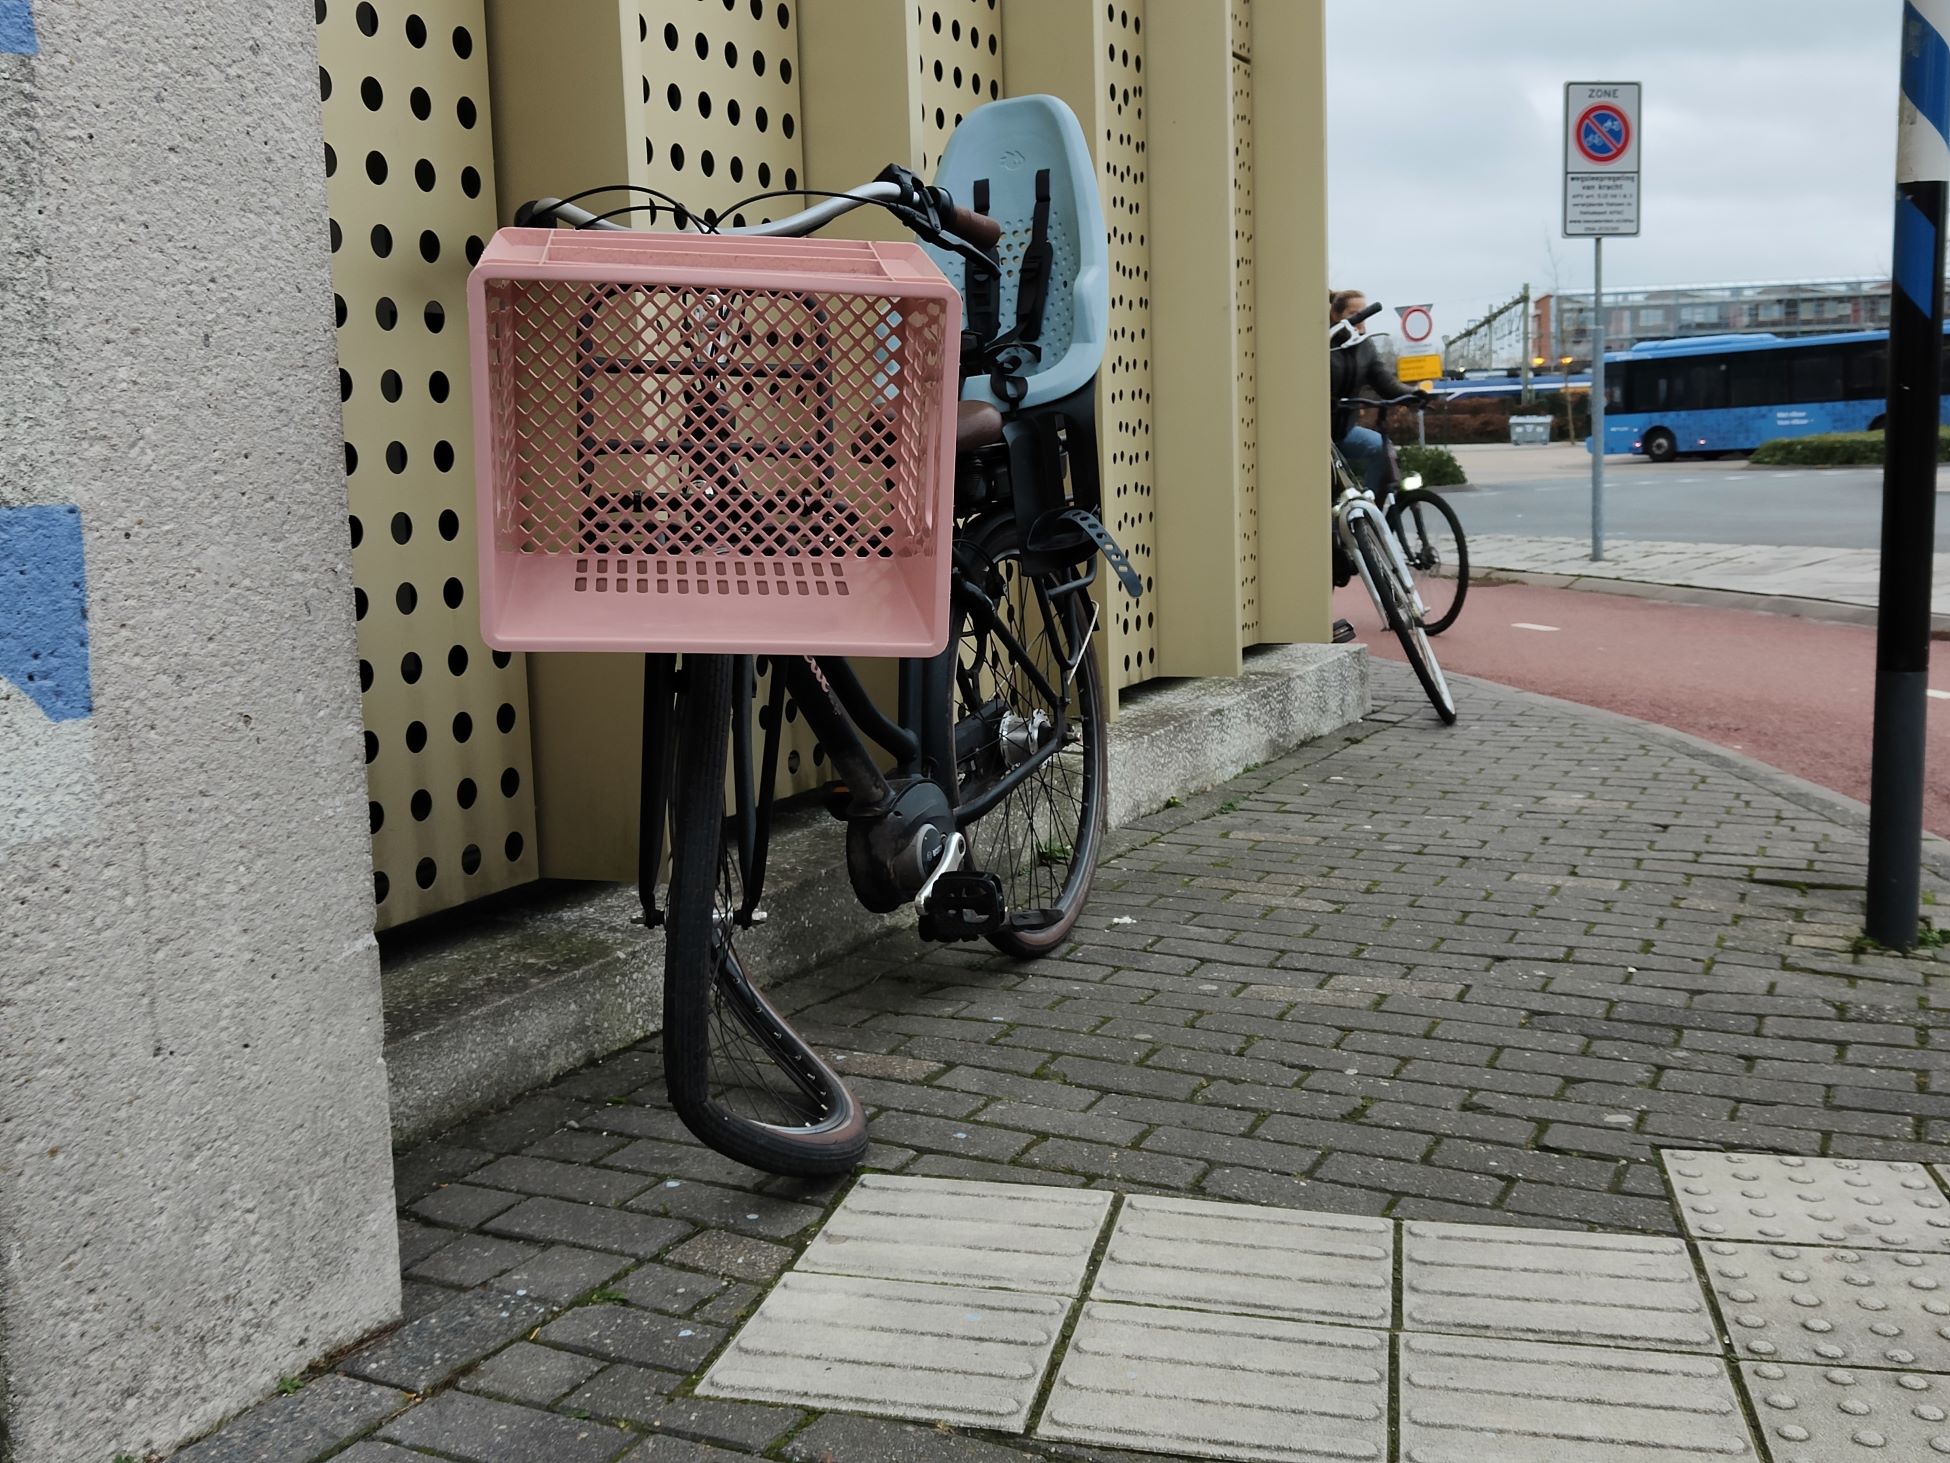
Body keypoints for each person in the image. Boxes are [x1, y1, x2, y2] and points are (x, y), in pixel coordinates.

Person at [1329, 289, 1423, 496]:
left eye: (1364, 313)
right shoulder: (1324, 343)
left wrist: (1415, 396)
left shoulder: (1365, 347)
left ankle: (1370, 511)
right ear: (1336, 316)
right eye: (1354, 313)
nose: (1361, 319)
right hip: (1317, 435)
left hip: (1343, 432)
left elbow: (1385, 383)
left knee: (1382, 449)